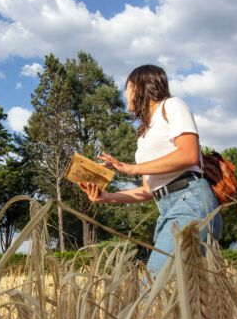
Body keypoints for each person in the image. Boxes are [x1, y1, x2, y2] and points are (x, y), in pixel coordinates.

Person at [78, 64, 222, 277]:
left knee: (153, 288)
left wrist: (130, 168)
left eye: (126, 87)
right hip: (165, 209)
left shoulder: (172, 106)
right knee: (179, 298)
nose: (124, 93)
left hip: (190, 201)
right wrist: (106, 197)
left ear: (139, 86)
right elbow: (148, 190)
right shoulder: (144, 135)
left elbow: (189, 154)